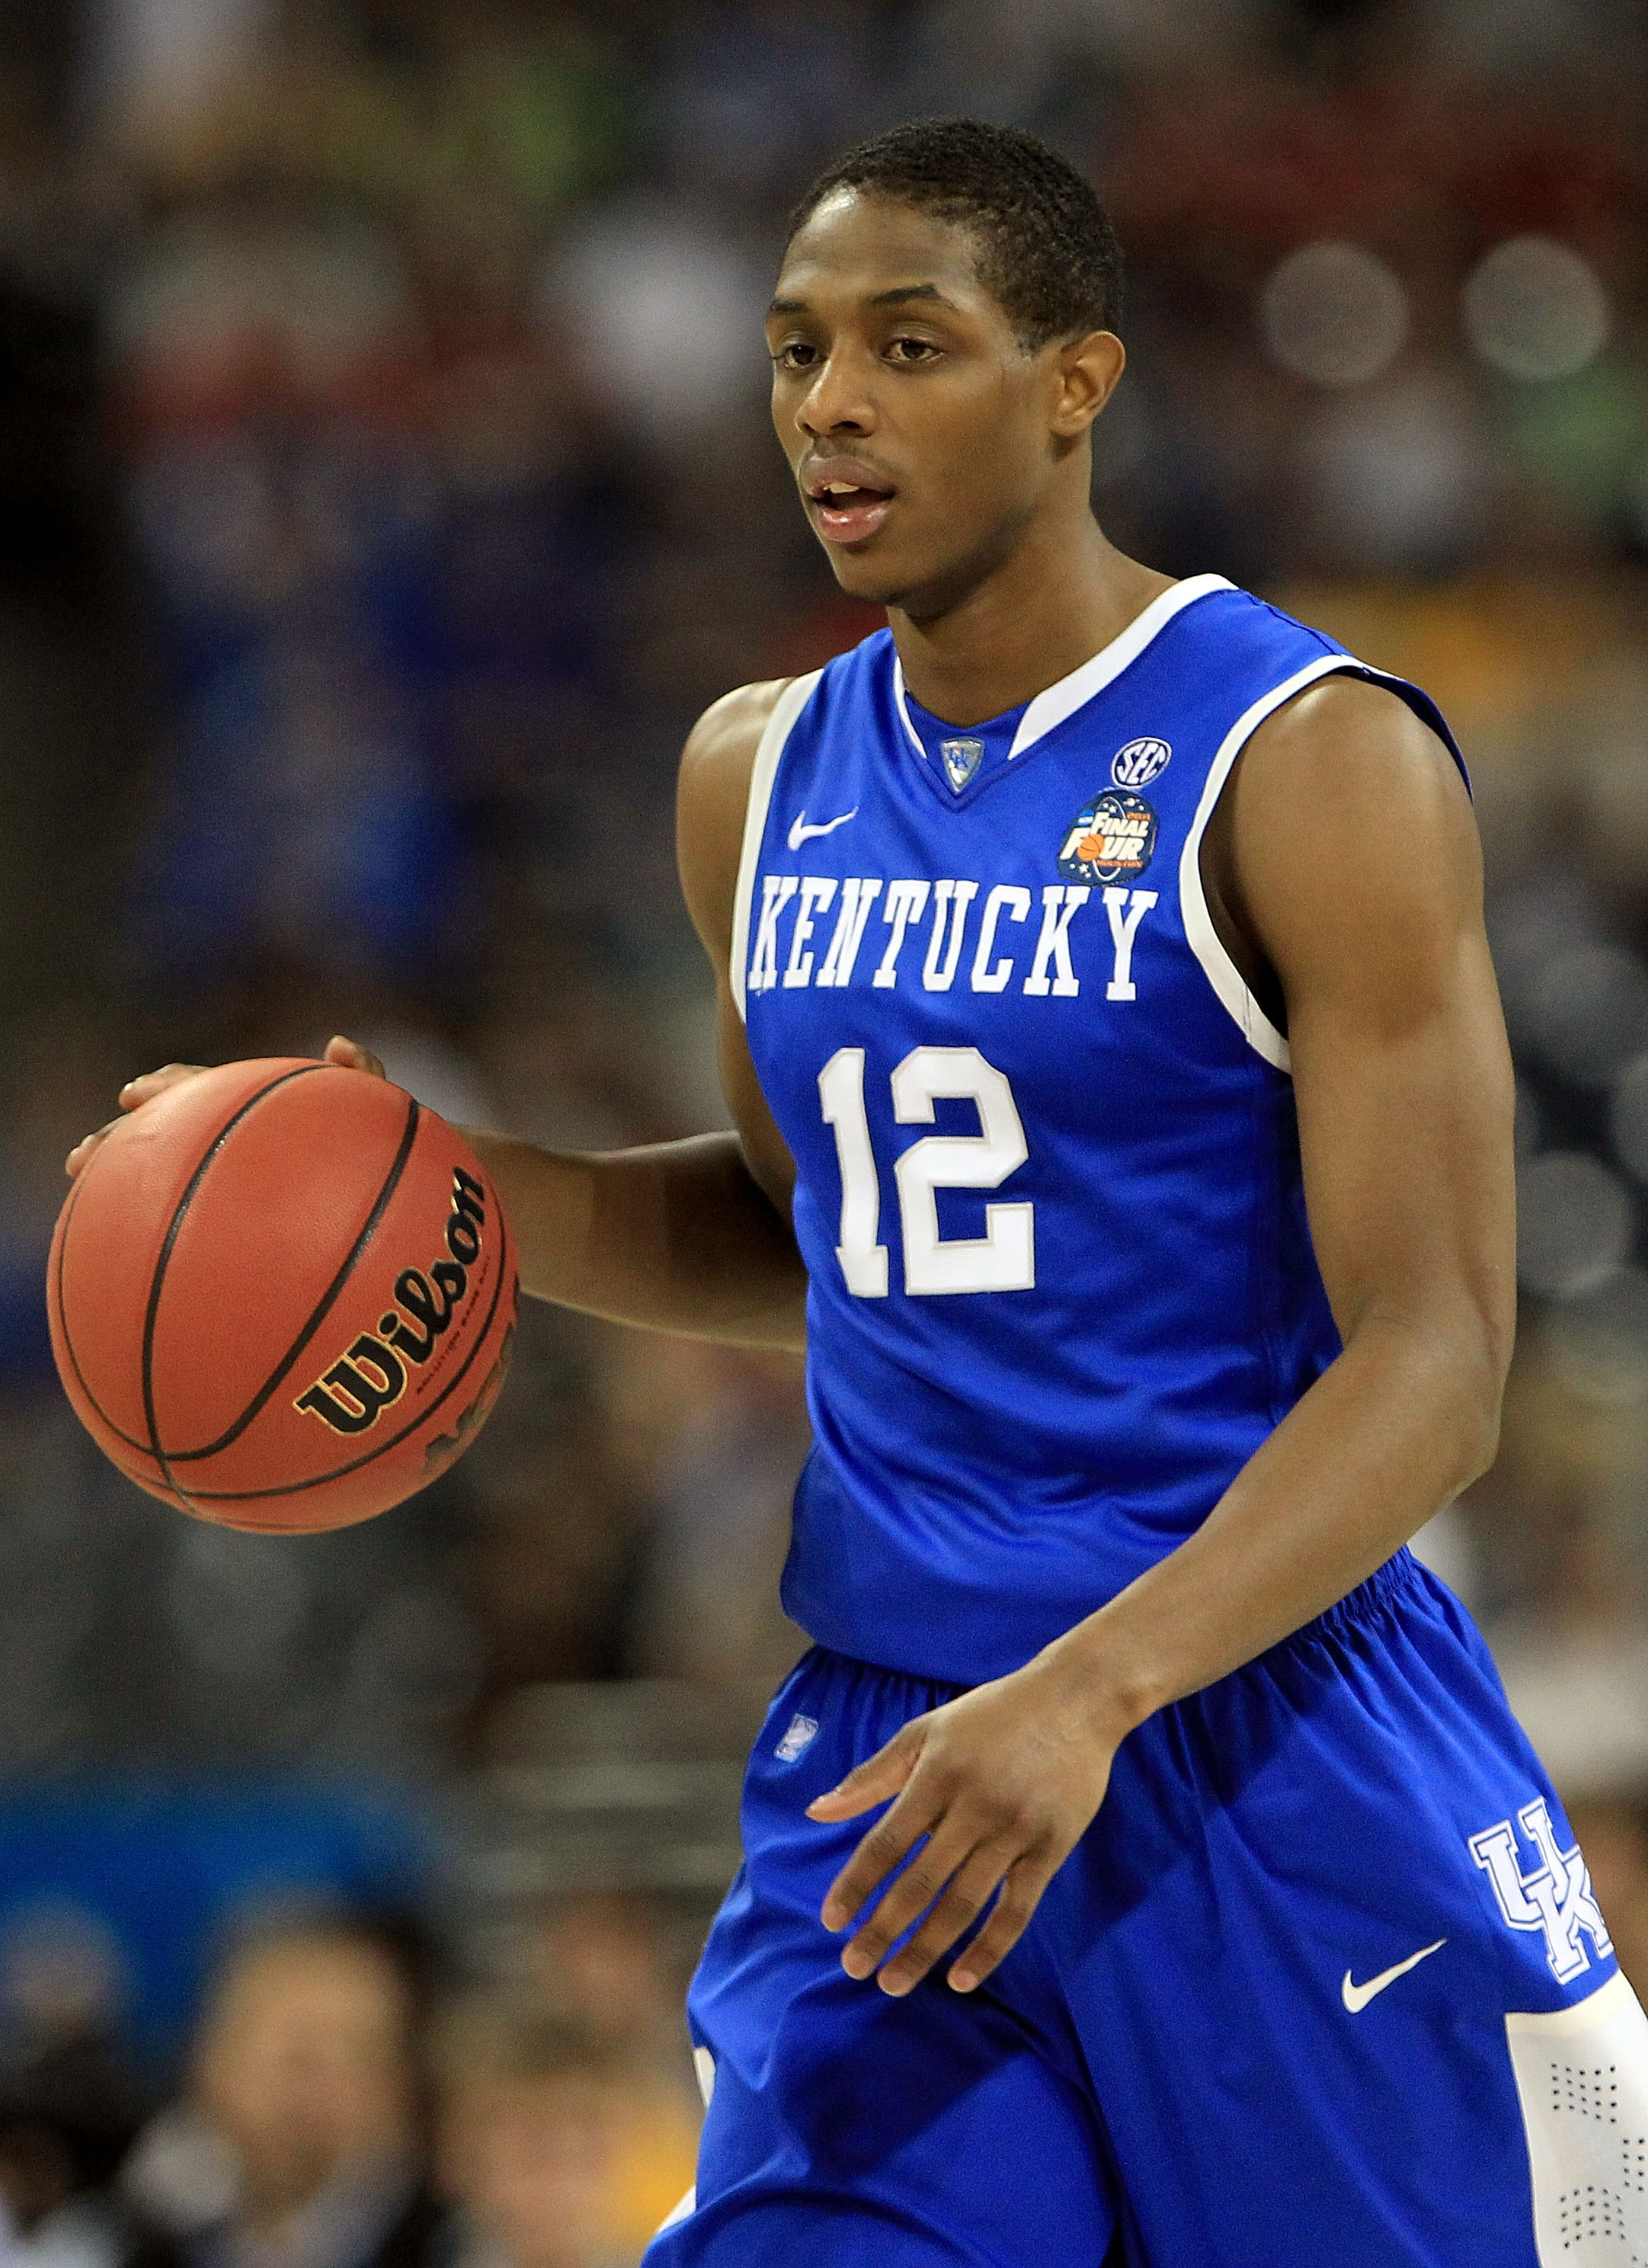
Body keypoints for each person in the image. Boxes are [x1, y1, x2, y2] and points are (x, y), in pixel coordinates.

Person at [70, 115, 1647, 2263]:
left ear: (1073, 382)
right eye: (796, 347)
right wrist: (438, 1191)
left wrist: (1092, 1690)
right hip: (898, 1758)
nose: (829, 401)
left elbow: (1443, 1360)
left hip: (1252, 1728)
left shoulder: (1306, 756)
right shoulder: (754, 774)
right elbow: (831, 1243)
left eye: (910, 343)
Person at [128, 1917, 447, 2268]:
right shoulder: (123, 2231)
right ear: (208, 2058)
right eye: (299, 2057)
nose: (317, 2092)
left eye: (362, 2057)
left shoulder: (455, 2240)